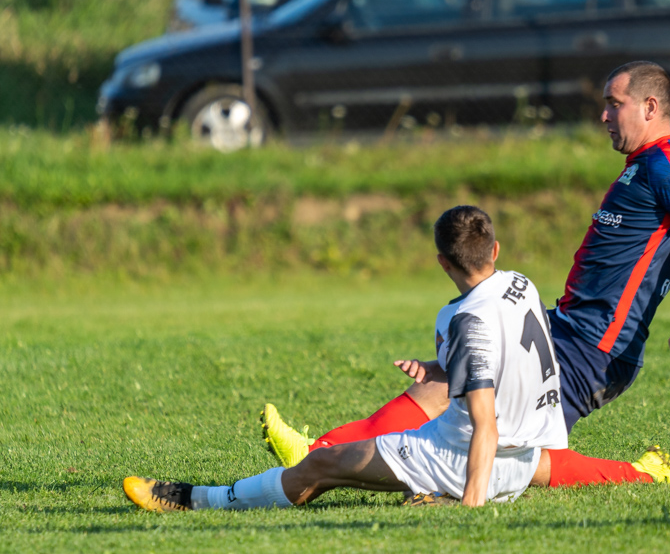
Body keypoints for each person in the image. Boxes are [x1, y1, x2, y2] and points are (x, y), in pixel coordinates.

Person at [259, 61, 670, 490]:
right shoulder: (653, 162)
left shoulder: (665, 163)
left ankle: (641, 473)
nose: (603, 115)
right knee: (485, 420)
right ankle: (320, 449)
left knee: (507, 455)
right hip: (567, 327)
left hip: (593, 349)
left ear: (650, 107)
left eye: (613, 104)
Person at [125, 205, 593, 511]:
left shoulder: (465, 320)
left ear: (442, 263)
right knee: (377, 452)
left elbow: (485, 422)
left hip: (469, 459)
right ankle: (443, 496)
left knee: (322, 465)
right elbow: (504, 360)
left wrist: (472, 505)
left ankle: (199, 500)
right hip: (527, 457)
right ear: (495, 249)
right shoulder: (522, 284)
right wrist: (436, 370)